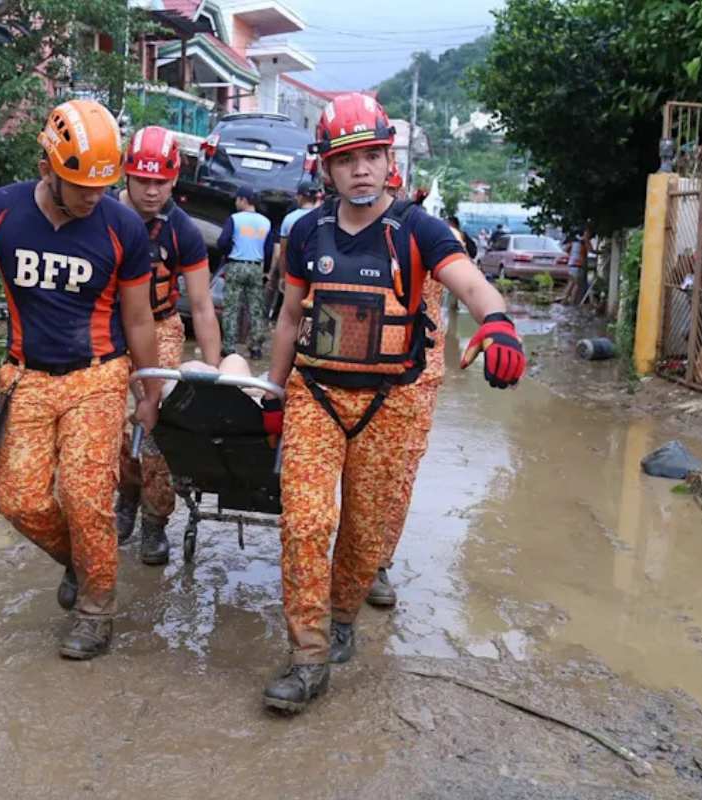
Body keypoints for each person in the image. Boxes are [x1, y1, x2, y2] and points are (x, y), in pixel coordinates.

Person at [260, 93, 526, 713]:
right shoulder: (307, 232)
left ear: (389, 162)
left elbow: (470, 281)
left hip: (391, 404)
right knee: (305, 522)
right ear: (326, 167)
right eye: (346, 159)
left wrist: (499, 323)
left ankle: (343, 613)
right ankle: (307, 658)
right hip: (316, 396)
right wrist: (273, 393)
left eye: (372, 156)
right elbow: (290, 318)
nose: (361, 169)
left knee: (364, 533)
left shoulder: (418, 229)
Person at [0, 99, 163, 661]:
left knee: (86, 496)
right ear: (47, 168)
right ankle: (81, 559)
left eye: (103, 185)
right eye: (82, 185)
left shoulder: (122, 228)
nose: (94, 197)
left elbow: (140, 319)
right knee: (18, 499)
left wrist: (149, 393)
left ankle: (96, 610)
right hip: (24, 377)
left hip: (99, 376)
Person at [113, 125, 221, 566]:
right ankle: (125, 495)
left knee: (157, 425)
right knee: (110, 426)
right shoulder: (101, 216)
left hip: (161, 328)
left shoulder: (182, 231)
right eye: (143, 180)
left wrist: (214, 375)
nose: (152, 190)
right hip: (107, 329)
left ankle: (155, 520)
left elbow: (202, 306)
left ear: (175, 179)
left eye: (161, 181)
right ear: (127, 175)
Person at [218, 185, 274, 359]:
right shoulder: (266, 222)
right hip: (256, 266)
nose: (236, 202)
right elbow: (269, 250)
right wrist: (266, 271)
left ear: (243, 200)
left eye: (237, 199)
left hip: (236, 265)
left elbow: (222, 242)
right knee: (256, 308)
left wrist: (228, 253)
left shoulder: (235, 219)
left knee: (231, 307)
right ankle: (256, 348)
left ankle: (229, 347)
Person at [268, 178, 325, 323]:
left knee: (292, 314)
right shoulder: (324, 217)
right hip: (318, 271)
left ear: (299, 197)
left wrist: (282, 276)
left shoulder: (290, 219)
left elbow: (283, 252)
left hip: (295, 273)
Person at [561, 229, 591, 303]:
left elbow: (566, 249)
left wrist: (572, 254)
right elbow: (591, 250)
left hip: (571, 264)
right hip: (578, 264)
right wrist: (602, 252)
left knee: (571, 282)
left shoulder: (574, 241)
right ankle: (573, 300)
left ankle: (565, 299)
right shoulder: (585, 240)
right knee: (577, 284)